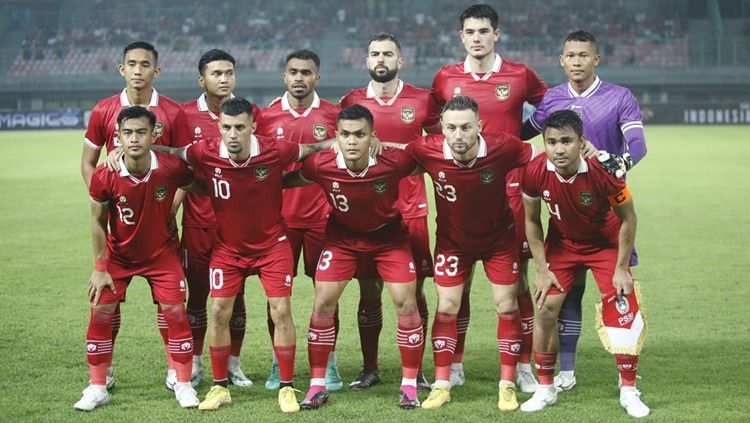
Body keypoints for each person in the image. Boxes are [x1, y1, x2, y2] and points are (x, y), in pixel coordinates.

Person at [154, 98, 334, 413]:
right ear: (219, 127)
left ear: (252, 126)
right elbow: (174, 155)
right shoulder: (205, 151)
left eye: (240, 127)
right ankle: (220, 386)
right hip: (228, 249)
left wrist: (345, 139)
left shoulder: (274, 149)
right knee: (219, 311)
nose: (233, 134)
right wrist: (129, 151)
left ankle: (287, 387)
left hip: (272, 246)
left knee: (280, 311)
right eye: (226, 127)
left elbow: (311, 149)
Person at [521, 30, 647, 392]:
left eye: (583, 55)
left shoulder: (618, 97)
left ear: (596, 60)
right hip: (564, 214)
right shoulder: (551, 99)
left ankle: (627, 376)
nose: (576, 62)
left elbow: (638, 142)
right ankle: (566, 372)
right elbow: (522, 131)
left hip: (606, 205)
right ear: (562, 60)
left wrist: (620, 162)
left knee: (618, 298)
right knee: (565, 295)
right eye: (570, 56)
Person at [430, 4, 547, 391]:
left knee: (517, 287)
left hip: (511, 196)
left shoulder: (518, 75)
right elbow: (434, 127)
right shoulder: (446, 78)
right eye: (470, 32)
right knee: (455, 289)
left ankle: (524, 365)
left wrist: (522, 134)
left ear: (496, 34)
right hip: (461, 197)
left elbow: (549, 107)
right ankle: (456, 364)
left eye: (484, 31)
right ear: (461, 37)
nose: (477, 37)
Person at [283, 104, 424, 410]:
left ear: (372, 137)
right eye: (345, 134)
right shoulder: (321, 164)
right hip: (342, 239)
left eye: (360, 134)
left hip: (389, 238)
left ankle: (410, 385)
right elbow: (289, 179)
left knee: (406, 301)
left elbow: (427, 160)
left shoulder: (393, 161)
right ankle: (317, 385)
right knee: (322, 302)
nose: (351, 141)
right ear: (336, 136)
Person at [408, 96, 535, 412]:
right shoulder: (427, 149)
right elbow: (392, 160)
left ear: (479, 126)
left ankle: (507, 384)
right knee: (447, 306)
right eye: (451, 127)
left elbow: (539, 157)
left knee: (506, 305)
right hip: (453, 244)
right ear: (442, 128)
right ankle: (442, 383)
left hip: (499, 241)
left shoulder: (502, 146)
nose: (458, 135)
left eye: (466, 127)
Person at [80, 40, 191, 391]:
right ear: (122, 69)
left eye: (146, 64)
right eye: (132, 64)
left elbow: (186, 168)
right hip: (120, 227)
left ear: (156, 70)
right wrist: (109, 197)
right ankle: (103, 375)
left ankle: (176, 369)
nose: (138, 70)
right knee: (106, 303)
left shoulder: (174, 112)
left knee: (169, 302)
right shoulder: (103, 110)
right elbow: (88, 163)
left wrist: (172, 202)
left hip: (160, 223)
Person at [74, 106, 202, 411]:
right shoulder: (105, 174)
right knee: (101, 313)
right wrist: (99, 267)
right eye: (127, 133)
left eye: (141, 132)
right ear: (117, 137)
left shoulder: (170, 167)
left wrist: (174, 208)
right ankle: (97, 387)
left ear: (154, 135)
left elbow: (194, 183)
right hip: (119, 255)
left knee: (175, 313)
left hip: (162, 254)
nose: (134, 139)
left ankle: (183, 384)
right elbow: (97, 221)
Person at [339, 32, 439, 391]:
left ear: (401, 60)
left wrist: (397, 147)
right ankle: (370, 367)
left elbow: (439, 147)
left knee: (414, 293)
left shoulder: (423, 100)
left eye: (388, 54)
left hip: (410, 210)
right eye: (374, 54)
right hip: (367, 213)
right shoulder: (351, 101)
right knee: (369, 290)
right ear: (366, 61)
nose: (380, 59)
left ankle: (417, 368)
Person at [254, 49, 342, 392]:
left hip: (324, 218)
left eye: (306, 72)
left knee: (327, 297)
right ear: (284, 76)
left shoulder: (333, 115)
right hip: (279, 222)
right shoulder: (266, 117)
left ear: (317, 77)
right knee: (276, 300)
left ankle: (328, 364)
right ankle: (279, 363)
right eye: (293, 72)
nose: (299, 78)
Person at [180, 49, 257, 389]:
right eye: (216, 74)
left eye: (229, 73)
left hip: (236, 227)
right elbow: (175, 167)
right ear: (202, 79)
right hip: (198, 225)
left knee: (235, 298)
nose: (224, 79)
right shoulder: (184, 117)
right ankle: (196, 363)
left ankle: (234, 364)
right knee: (197, 296)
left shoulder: (249, 114)